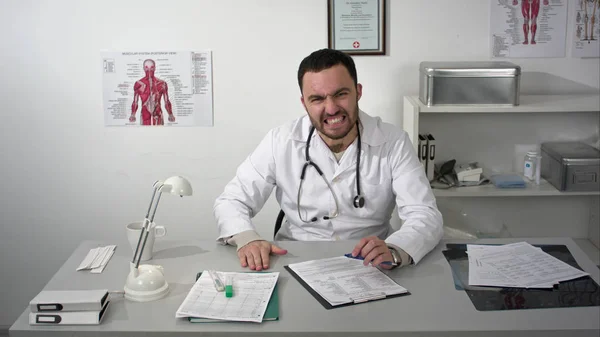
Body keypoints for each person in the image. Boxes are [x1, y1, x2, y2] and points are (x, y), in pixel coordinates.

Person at [213, 48, 443, 271]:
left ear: (358, 91)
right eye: (317, 99)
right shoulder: (281, 141)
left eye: (341, 94)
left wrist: (396, 250)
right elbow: (233, 200)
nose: (331, 108)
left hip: (369, 262)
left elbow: (424, 214)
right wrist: (246, 237)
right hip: (296, 258)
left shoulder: (393, 141)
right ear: (304, 103)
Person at [129, 59, 175, 125]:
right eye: (147, 67)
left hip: (158, 115)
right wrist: (133, 114)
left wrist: (170, 114)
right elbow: (135, 102)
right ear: (143, 68)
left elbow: (166, 101)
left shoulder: (162, 83)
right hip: (145, 115)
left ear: (155, 68)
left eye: (152, 67)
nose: (149, 70)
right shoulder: (138, 84)